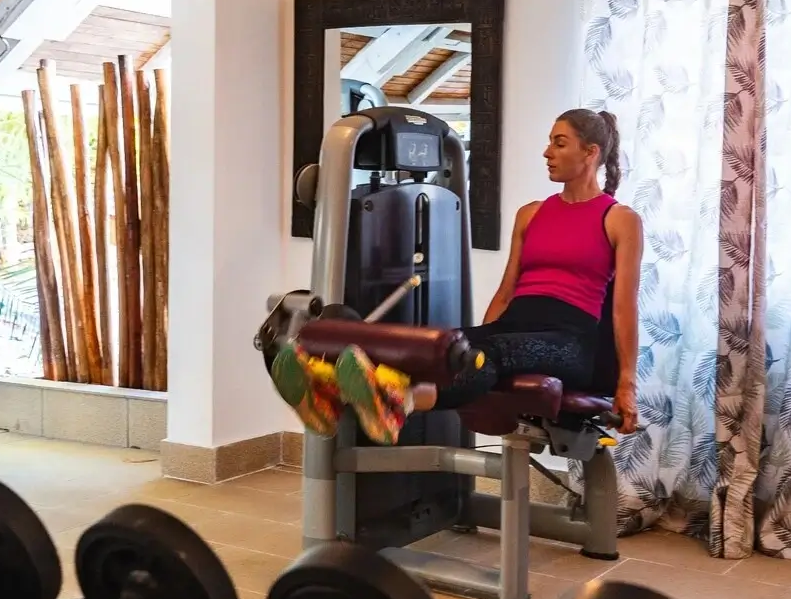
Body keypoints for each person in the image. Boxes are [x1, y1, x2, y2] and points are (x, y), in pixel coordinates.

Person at [271, 108, 644, 444]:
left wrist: (626, 384)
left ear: (590, 153)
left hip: (571, 342)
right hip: (517, 324)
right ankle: (325, 394)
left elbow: (624, 309)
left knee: (487, 353)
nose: (547, 152)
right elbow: (506, 291)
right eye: (549, 142)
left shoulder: (619, 220)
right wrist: (473, 341)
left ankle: (401, 404)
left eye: (559, 144)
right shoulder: (530, 214)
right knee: (441, 346)